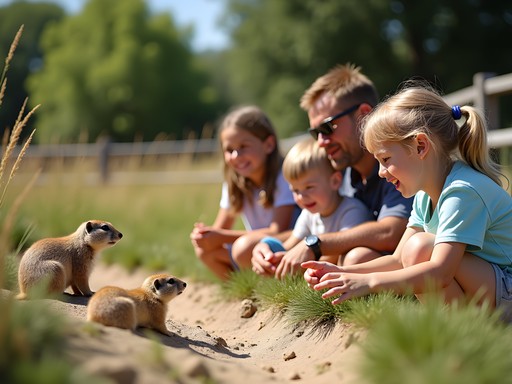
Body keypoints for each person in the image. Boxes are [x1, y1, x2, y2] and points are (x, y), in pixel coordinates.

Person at [303, 84, 512, 321]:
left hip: (507, 289)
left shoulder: (462, 191)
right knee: (416, 248)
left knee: (420, 247)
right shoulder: (424, 195)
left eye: (385, 159)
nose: (381, 172)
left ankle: (468, 332)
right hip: (493, 288)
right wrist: (341, 272)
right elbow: (397, 260)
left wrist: (369, 282)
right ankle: (461, 331)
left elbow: (441, 273)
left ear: (420, 146)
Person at [257, 63, 413, 279]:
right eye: (315, 133)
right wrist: (267, 245)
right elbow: (308, 230)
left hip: (408, 267)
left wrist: (316, 244)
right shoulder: (343, 171)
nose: (321, 142)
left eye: (327, 127)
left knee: (355, 257)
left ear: (364, 115)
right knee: (249, 247)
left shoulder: (398, 163)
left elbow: (390, 232)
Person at [190, 105, 299, 280]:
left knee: (243, 248)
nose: (236, 156)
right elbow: (221, 229)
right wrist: (206, 236)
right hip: (253, 249)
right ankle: (247, 290)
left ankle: (271, 286)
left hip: (286, 244)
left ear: (269, 144)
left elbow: (278, 231)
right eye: (229, 150)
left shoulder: (284, 176)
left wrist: (222, 237)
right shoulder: (234, 182)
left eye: (244, 146)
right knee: (204, 250)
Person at [252, 138, 372, 277]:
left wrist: (299, 266)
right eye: (295, 190)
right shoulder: (308, 214)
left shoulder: (351, 211)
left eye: (309, 187)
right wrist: (268, 249)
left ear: (335, 181)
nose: (302, 196)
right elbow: (290, 245)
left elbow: (337, 253)